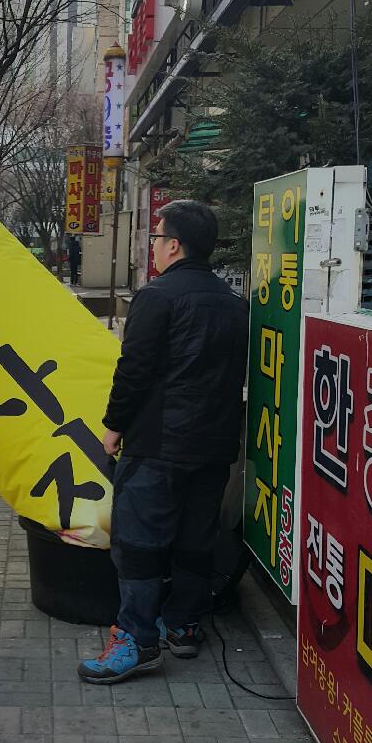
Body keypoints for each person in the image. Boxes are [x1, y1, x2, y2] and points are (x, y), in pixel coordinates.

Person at [79, 200, 249, 684]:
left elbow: (133, 373)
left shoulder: (156, 298)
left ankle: (136, 640)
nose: (151, 246)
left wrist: (112, 428)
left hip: (158, 446)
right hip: (214, 448)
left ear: (174, 244)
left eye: (155, 238)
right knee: (196, 541)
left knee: (138, 544)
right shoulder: (236, 307)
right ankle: (184, 626)